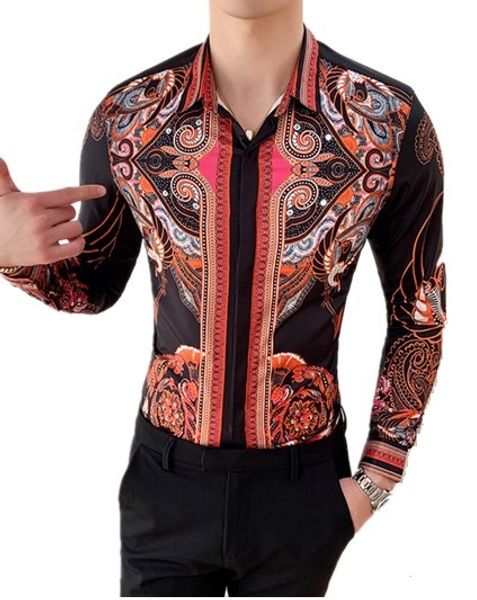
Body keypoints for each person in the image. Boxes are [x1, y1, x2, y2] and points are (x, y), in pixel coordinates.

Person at [0, 0, 447, 596]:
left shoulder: (387, 119)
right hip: (167, 487)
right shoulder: (129, 117)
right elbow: (92, 286)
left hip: (303, 489)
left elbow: (418, 309)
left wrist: (376, 480)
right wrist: (8, 252)